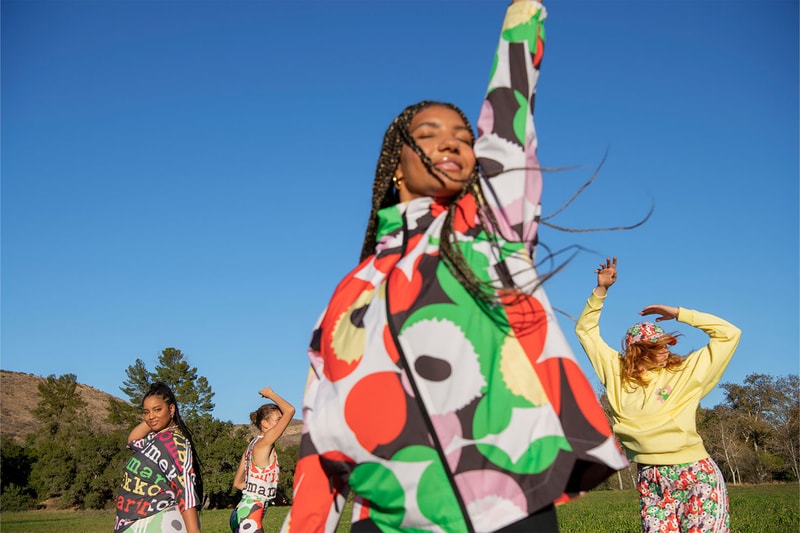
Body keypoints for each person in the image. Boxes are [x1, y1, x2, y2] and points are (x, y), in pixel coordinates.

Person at [281, 2, 628, 532]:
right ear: (395, 165)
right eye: (430, 134)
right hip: (386, 520)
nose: (452, 143)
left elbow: (508, 122)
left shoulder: (485, 230)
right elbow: (318, 437)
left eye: (464, 139)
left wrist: (521, 23)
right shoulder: (349, 293)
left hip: (506, 507)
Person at [575, 257, 742, 532]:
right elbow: (585, 331)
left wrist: (680, 314)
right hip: (650, 477)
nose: (665, 351)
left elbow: (730, 334)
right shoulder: (615, 373)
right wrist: (600, 291)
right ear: (637, 351)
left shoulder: (686, 373)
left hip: (695, 474)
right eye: (657, 347)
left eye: (667, 345)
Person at [114, 382, 203, 533]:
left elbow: (185, 489)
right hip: (137, 522)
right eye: (146, 412)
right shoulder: (158, 439)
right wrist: (154, 418)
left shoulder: (175, 443)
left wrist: (193, 531)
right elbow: (133, 440)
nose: (150, 416)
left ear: (172, 408)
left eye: (157, 409)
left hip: (155, 522)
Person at [230, 387, 295, 533]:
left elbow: (238, 483)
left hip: (241, 512)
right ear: (265, 424)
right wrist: (270, 394)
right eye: (278, 420)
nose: (281, 423)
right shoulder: (265, 442)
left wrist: (270, 493)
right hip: (249, 517)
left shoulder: (251, 446)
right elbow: (290, 410)